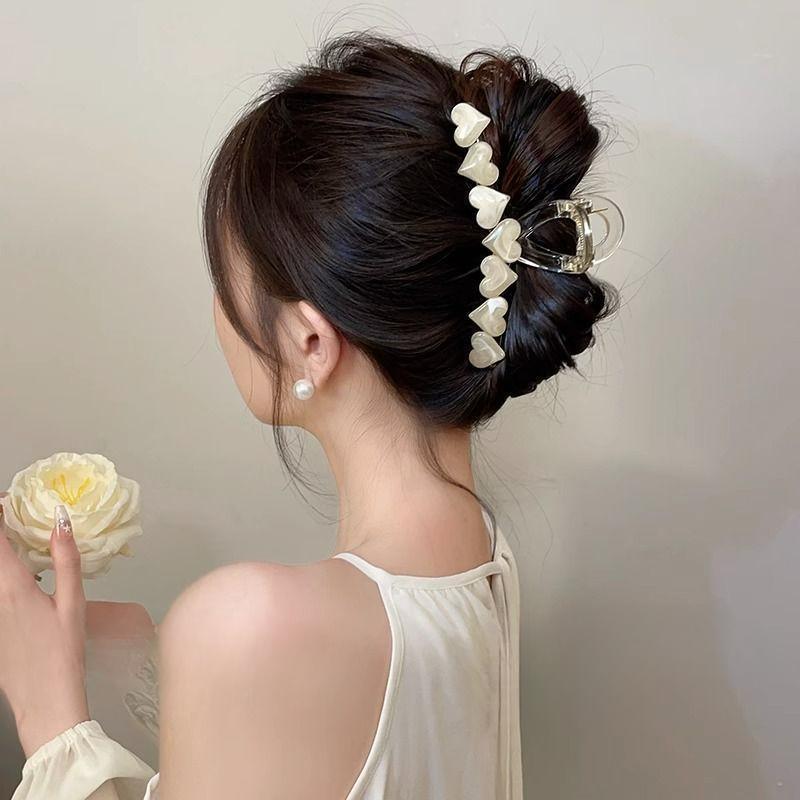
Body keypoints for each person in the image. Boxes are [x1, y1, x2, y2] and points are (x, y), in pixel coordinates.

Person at [1, 30, 621, 800]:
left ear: (309, 342)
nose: (219, 313)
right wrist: (136, 652)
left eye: (226, 280)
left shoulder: (255, 623)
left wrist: (51, 721)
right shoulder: (475, 553)